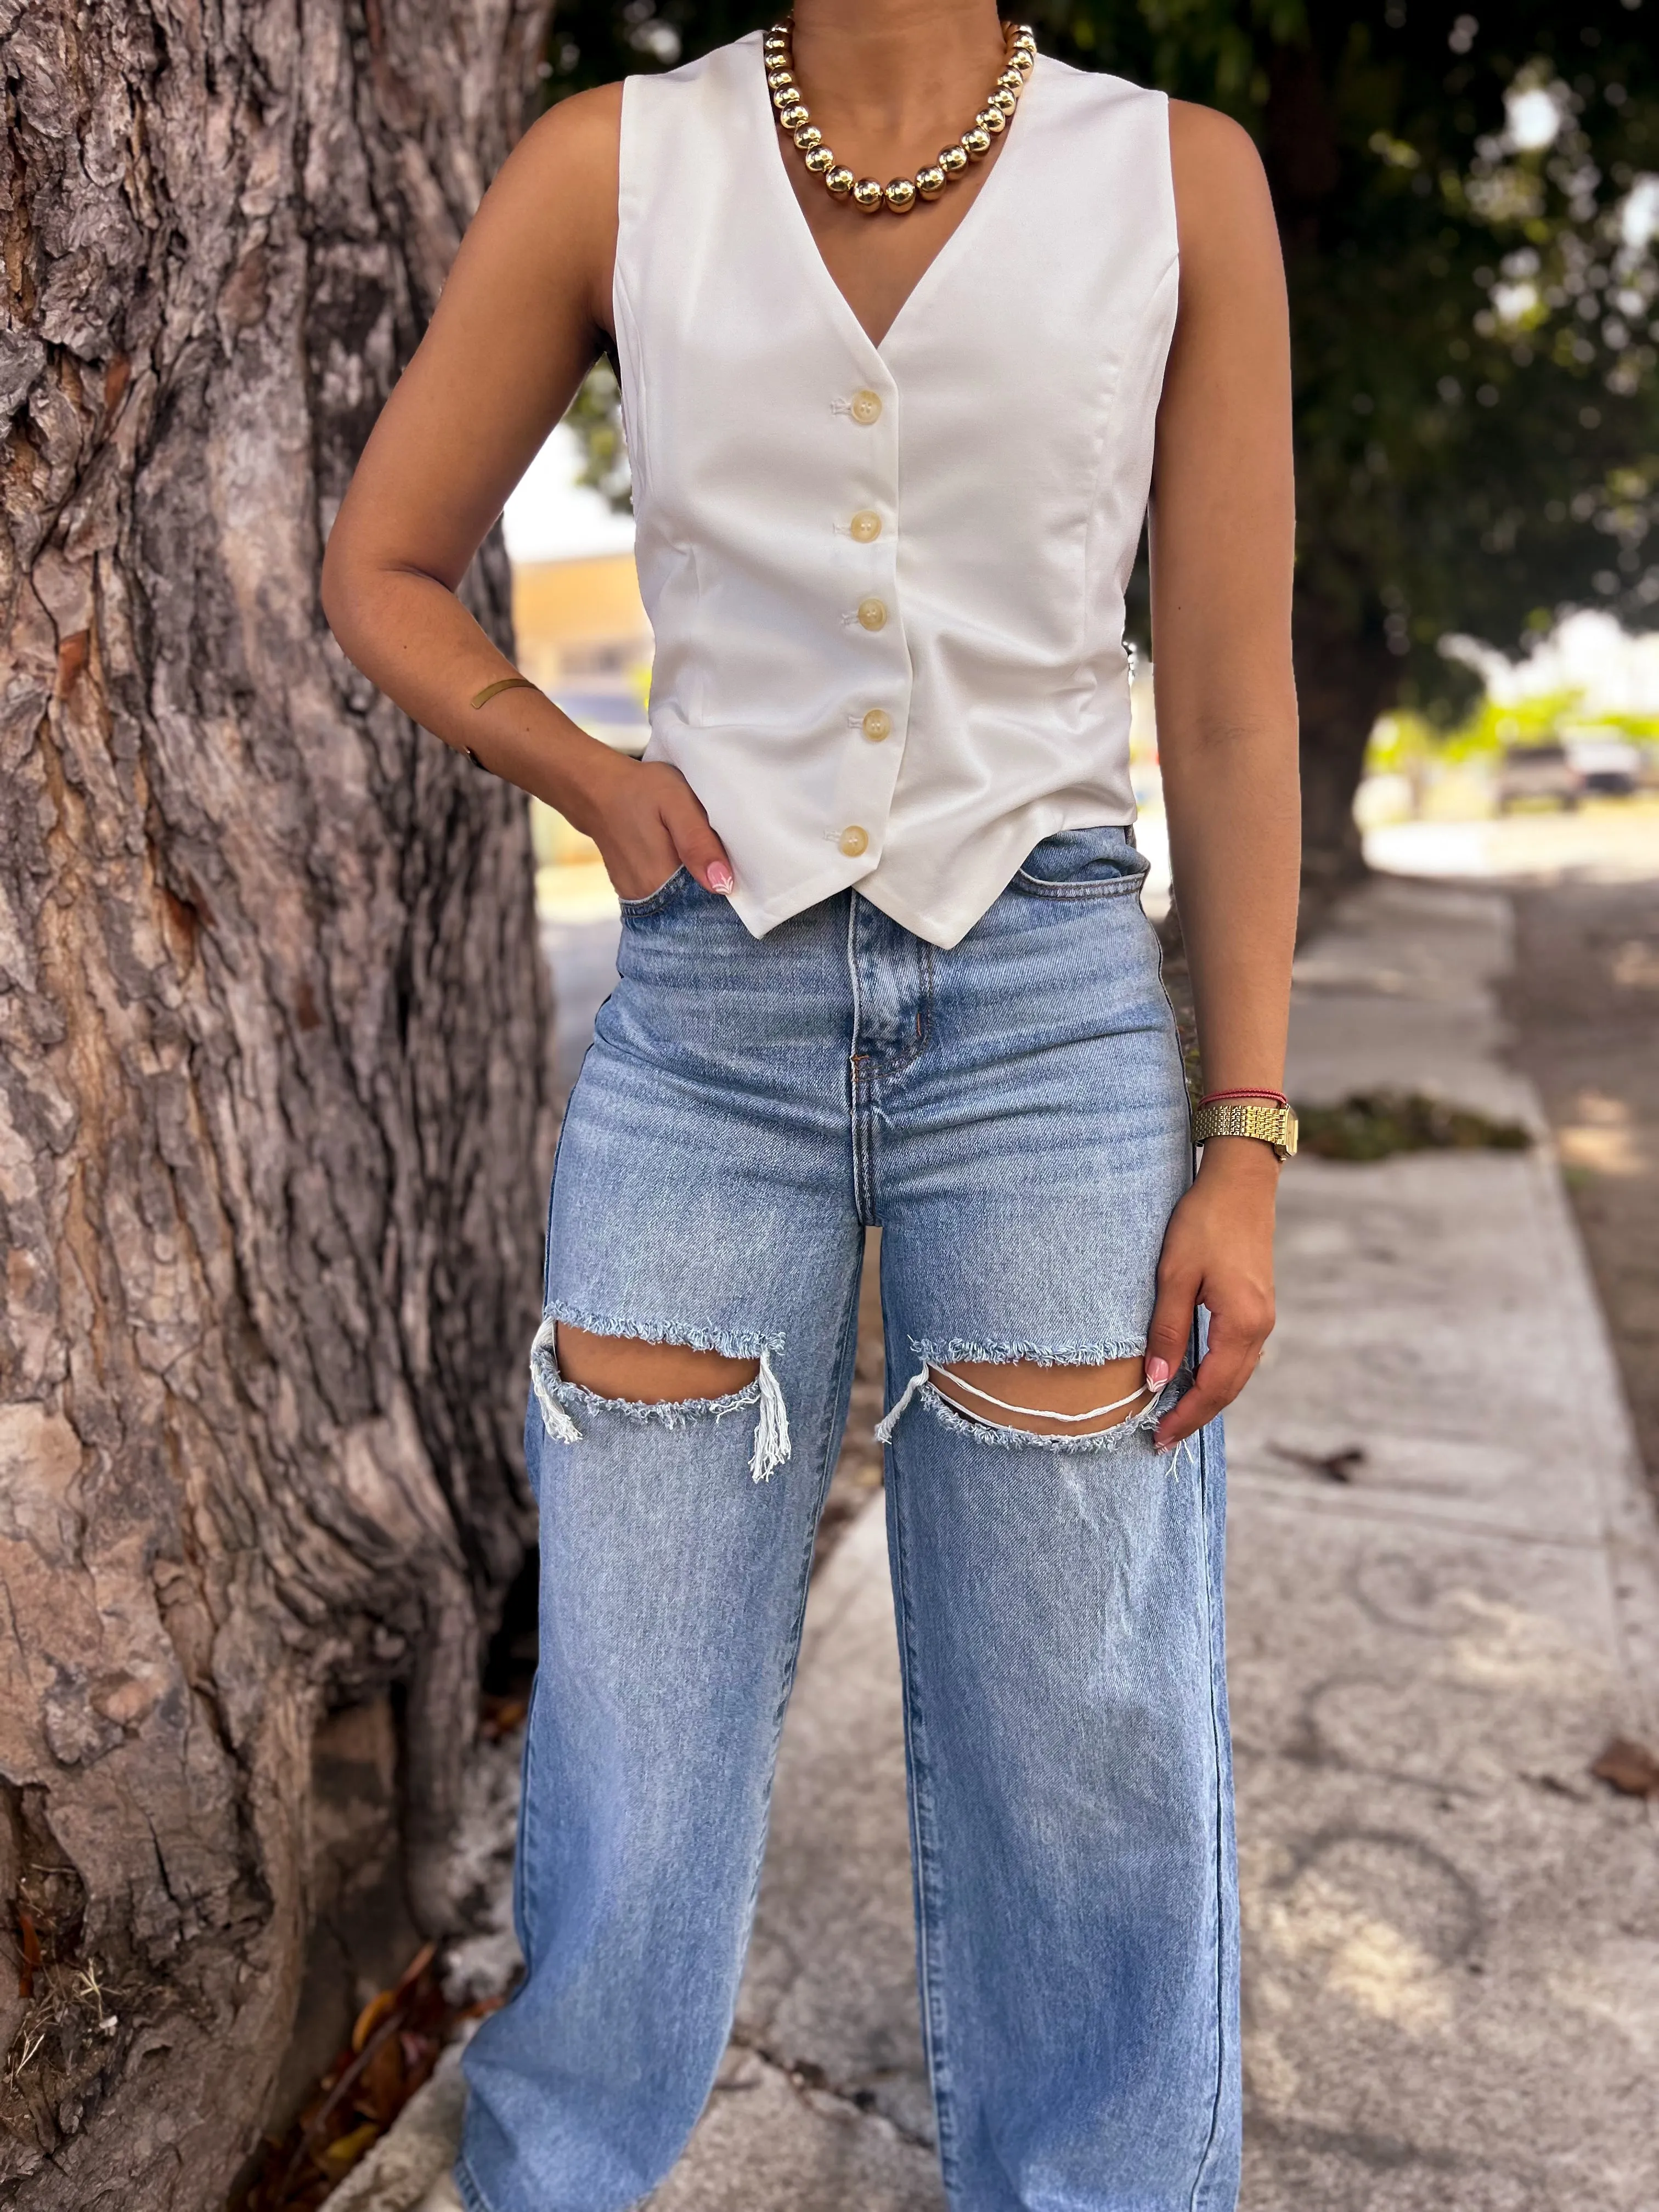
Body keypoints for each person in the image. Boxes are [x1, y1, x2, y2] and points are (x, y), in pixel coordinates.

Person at [321, 2, 1298, 2204]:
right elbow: (385, 559)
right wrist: (581, 769)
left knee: (1087, 1744)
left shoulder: (1177, 178)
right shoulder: (613, 163)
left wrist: (1246, 1130)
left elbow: (1231, 703)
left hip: (1046, 1020)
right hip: (710, 1034)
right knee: (629, 1759)